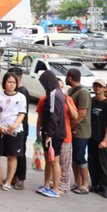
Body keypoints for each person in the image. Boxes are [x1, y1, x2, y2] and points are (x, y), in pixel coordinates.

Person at [0, 72, 26, 191]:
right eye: (9, 82)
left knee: (12, 156)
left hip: (15, 131)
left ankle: (8, 181)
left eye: (14, 82)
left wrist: (14, 127)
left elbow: (22, 114)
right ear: (4, 82)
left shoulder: (21, 97)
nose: (11, 84)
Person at [37, 70, 65, 198]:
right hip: (52, 131)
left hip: (54, 133)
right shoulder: (54, 92)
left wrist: (49, 134)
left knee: (55, 161)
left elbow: (54, 115)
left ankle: (55, 189)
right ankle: (47, 184)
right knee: (49, 159)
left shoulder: (54, 93)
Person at [66, 68, 92, 195]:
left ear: (70, 78)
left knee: (80, 157)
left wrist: (69, 126)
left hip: (81, 131)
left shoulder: (83, 92)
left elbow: (81, 114)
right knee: (73, 158)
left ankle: (85, 184)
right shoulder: (71, 90)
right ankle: (77, 182)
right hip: (72, 129)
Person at [88, 79, 107, 199]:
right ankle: (94, 184)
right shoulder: (92, 101)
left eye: (100, 86)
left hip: (103, 139)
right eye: (96, 86)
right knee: (92, 162)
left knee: (103, 164)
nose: (98, 88)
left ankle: (105, 188)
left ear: (105, 89)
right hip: (91, 137)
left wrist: (105, 140)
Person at [10, 66, 30, 190]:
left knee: (20, 153)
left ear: (19, 77)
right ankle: (13, 177)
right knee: (12, 153)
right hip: (11, 126)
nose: (11, 81)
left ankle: (21, 179)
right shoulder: (11, 91)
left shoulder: (23, 92)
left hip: (21, 126)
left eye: (13, 79)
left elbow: (22, 113)